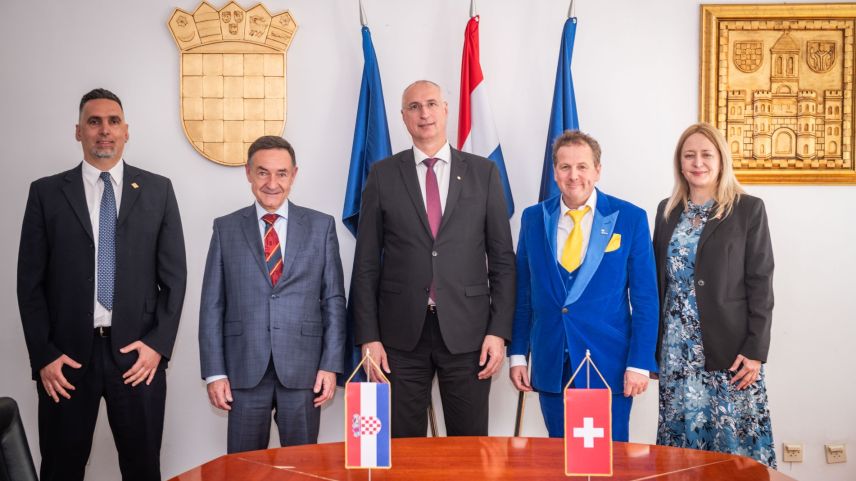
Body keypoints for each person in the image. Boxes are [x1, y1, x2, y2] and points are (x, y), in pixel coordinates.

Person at [16, 88, 187, 481]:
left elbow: (174, 279)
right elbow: (30, 284)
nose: (104, 131)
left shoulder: (158, 191)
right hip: (66, 362)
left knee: (143, 468)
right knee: (60, 469)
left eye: (113, 122)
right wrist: (44, 355)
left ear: (127, 131)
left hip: (137, 359)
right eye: (94, 122)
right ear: (78, 132)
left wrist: (157, 347)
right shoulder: (45, 193)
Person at [352, 80, 515, 437]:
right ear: (403, 117)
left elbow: (502, 259)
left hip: (469, 334)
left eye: (430, 104)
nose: (423, 113)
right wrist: (368, 336)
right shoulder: (382, 175)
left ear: (445, 109)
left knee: (469, 449)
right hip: (398, 337)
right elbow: (365, 263)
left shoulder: (483, 173)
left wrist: (499, 331)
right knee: (400, 449)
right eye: (413, 107)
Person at [508, 130, 658, 442]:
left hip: (608, 364)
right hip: (552, 362)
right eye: (565, 167)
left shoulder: (630, 218)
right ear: (554, 171)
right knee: (558, 460)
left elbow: (645, 299)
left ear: (597, 170)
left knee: (608, 462)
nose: (573, 175)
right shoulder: (534, 218)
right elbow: (523, 293)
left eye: (582, 166)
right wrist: (519, 354)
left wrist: (640, 363)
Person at [199, 135, 345, 453]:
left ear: (294, 174)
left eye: (281, 173)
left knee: (303, 467)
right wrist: (214, 372)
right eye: (263, 172)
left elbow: (333, 300)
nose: (272, 183)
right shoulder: (225, 228)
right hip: (243, 369)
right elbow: (212, 304)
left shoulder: (321, 227)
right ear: (249, 173)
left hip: (304, 370)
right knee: (243, 469)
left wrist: (330, 365)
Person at [653, 123, 776, 467]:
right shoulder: (666, 211)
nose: (698, 162)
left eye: (706, 154)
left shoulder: (748, 209)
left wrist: (755, 350)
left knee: (733, 447)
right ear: (680, 163)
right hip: (677, 353)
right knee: (682, 444)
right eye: (689, 155)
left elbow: (761, 283)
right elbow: (657, 283)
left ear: (721, 160)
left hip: (731, 352)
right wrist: (653, 347)